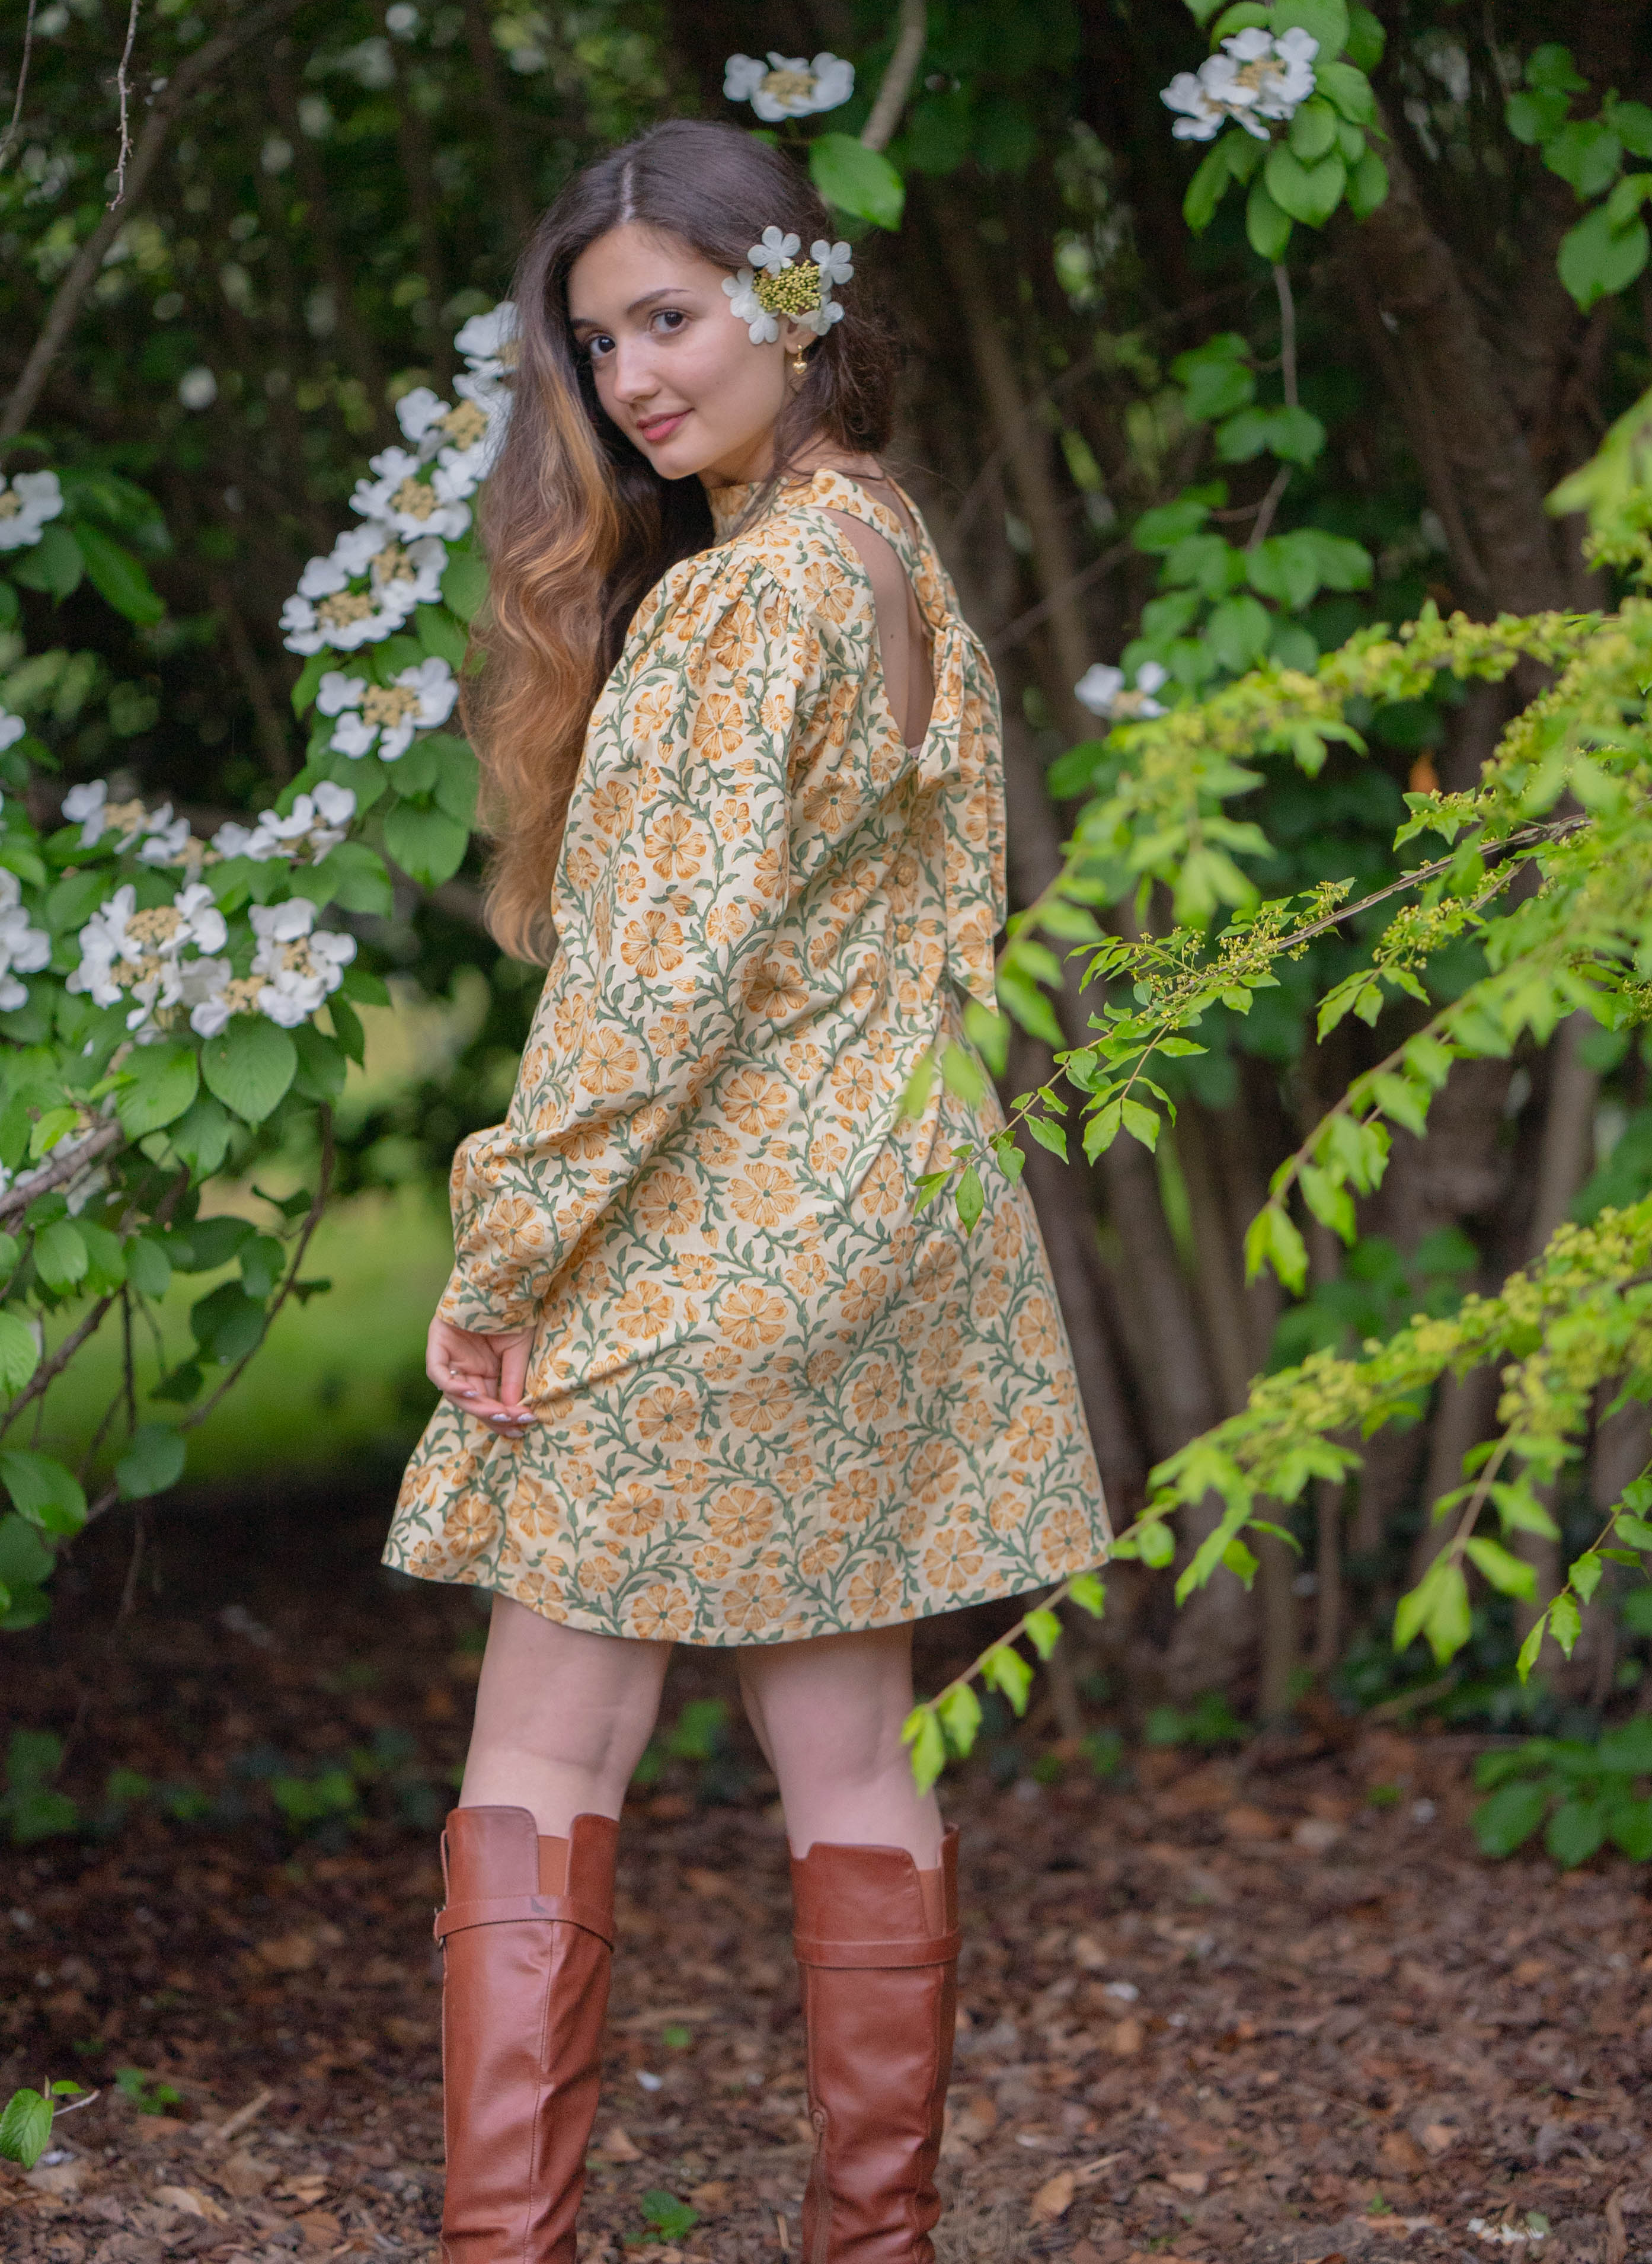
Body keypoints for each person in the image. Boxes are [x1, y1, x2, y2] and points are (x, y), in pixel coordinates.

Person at [382, 117, 1111, 2264]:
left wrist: (504, 1257)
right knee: (855, 1767)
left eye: (671, 319)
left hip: (707, 1246)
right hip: (887, 1228)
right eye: (599, 343)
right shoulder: (889, 553)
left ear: (796, 303)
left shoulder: (737, 602)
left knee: (541, 1766)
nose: (631, 380)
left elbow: (642, 1007)